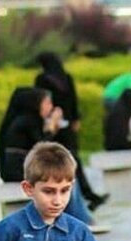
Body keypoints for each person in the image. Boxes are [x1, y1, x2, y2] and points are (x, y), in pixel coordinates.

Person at [0, 87, 100, 230]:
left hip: (21, 169)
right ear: (35, 104)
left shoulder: (26, 120)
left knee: (66, 175)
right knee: (64, 178)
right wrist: (51, 126)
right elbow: (42, 148)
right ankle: (81, 221)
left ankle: (76, 220)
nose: (51, 107)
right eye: (47, 103)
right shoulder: (27, 121)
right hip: (18, 171)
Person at [34, 52, 107, 212]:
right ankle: (88, 194)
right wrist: (75, 119)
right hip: (68, 124)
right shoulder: (66, 78)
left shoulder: (42, 79)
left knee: (61, 161)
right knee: (73, 159)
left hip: (54, 125)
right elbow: (74, 100)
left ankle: (81, 197)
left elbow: (41, 100)